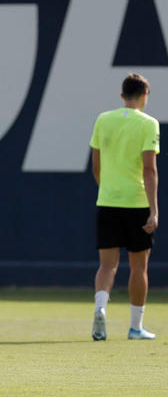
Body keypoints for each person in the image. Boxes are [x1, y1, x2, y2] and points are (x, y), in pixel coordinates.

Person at [89, 73, 159, 341]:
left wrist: (106, 189)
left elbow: (97, 166)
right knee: (139, 267)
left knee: (107, 266)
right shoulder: (149, 124)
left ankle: (100, 309)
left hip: (107, 201)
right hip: (137, 203)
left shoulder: (103, 120)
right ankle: (135, 327)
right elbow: (150, 170)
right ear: (145, 96)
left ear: (122, 96)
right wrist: (154, 210)